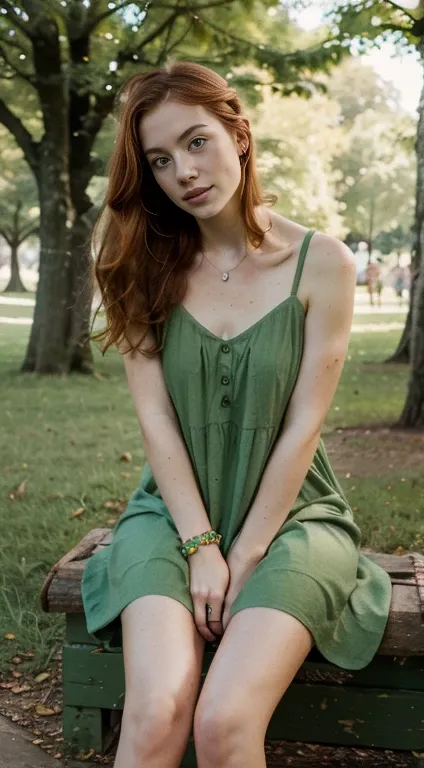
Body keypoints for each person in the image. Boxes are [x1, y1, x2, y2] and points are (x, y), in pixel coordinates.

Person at [82, 61, 392, 768]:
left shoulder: (324, 263)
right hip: (172, 516)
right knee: (158, 711)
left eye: (197, 141)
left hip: (293, 519)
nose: (183, 172)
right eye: (160, 161)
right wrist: (200, 547)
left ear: (238, 134)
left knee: (222, 723)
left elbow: (303, 423)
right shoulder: (137, 261)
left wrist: (245, 552)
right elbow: (156, 421)